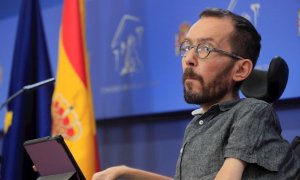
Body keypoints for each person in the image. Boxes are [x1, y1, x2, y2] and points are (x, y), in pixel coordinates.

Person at [92, 8, 300, 180]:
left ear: (241, 70)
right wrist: (126, 173)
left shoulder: (253, 111)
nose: (189, 59)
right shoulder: (198, 124)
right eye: (187, 46)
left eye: (205, 49)